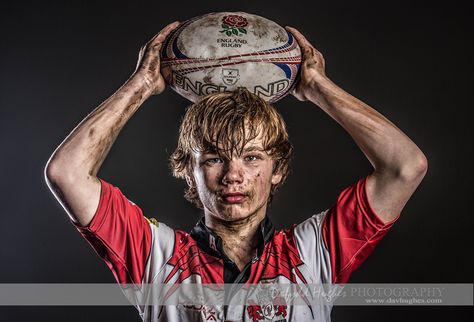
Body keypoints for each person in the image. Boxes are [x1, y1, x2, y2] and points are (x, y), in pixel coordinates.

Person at [44, 21, 428, 322]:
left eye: (252, 157)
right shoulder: (154, 257)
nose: (233, 175)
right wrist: (141, 84)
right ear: (188, 170)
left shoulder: (315, 254)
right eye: (213, 158)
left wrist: (317, 87)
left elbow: (405, 167)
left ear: (277, 169)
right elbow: (67, 172)